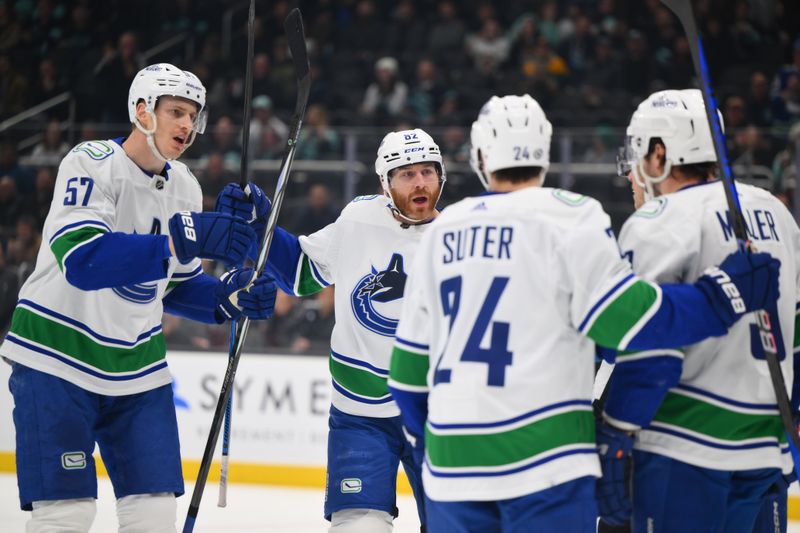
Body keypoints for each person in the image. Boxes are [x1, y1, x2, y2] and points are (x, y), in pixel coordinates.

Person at [385, 94, 781, 532]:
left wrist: (434, 448)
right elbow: (634, 321)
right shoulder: (571, 217)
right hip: (548, 462)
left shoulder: (441, 232)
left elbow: (405, 378)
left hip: (453, 470)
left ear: (480, 157)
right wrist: (720, 297)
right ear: (544, 153)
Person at [0, 63, 278, 533]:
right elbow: (84, 261)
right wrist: (182, 238)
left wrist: (228, 299)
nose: (187, 126)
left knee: (152, 514)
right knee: (66, 514)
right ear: (141, 111)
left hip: (137, 369)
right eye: (176, 112)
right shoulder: (89, 161)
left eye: (194, 115)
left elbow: (175, 283)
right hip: (55, 358)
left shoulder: (186, 186)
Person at [215, 128, 447, 532]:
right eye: (407, 174)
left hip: (435, 416)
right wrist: (258, 226)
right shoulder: (359, 218)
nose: (421, 182)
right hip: (360, 413)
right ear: (384, 182)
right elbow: (301, 273)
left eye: (428, 171)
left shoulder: (456, 239)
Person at [592, 88, 800, 532]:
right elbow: (797, 337)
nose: (634, 168)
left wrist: (616, 431)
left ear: (661, 152)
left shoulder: (656, 221)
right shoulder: (777, 214)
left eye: (639, 151)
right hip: (764, 447)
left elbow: (650, 355)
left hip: (682, 448)